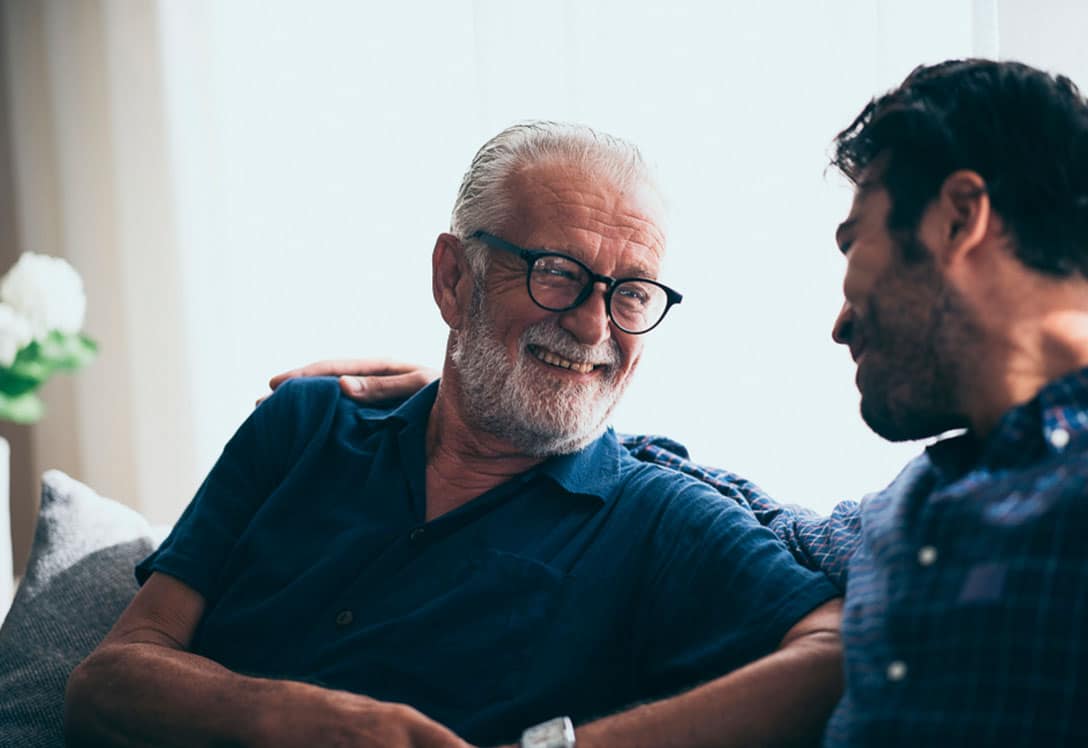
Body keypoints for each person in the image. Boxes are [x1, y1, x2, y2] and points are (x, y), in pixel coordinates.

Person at [285, 59, 1088, 746]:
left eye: (853, 243)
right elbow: (748, 517)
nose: (839, 319)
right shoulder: (908, 512)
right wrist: (481, 384)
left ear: (958, 220)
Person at [65, 122, 842, 748]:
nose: (593, 324)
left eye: (631, 293)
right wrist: (319, 723)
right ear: (453, 279)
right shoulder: (305, 424)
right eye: (557, 272)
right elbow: (106, 682)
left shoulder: (658, 519)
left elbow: (838, 654)